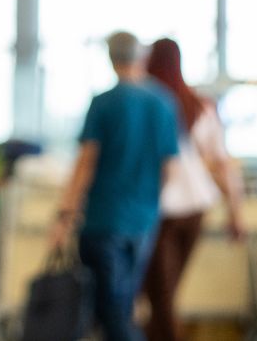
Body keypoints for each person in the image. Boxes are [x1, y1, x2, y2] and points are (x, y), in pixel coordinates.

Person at [49, 32, 179, 341]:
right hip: (144, 223)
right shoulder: (163, 103)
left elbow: (85, 164)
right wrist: (148, 204)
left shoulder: (104, 103)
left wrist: (65, 215)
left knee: (112, 313)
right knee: (122, 304)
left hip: (102, 222)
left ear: (111, 58)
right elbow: (170, 168)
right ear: (141, 57)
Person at [143, 38, 243, 341]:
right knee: (165, 297)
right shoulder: (200, 106)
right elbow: (223, 164)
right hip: (196, 208)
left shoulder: (149, 103)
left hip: (160, 209)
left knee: (161, 300)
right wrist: (235, 213)